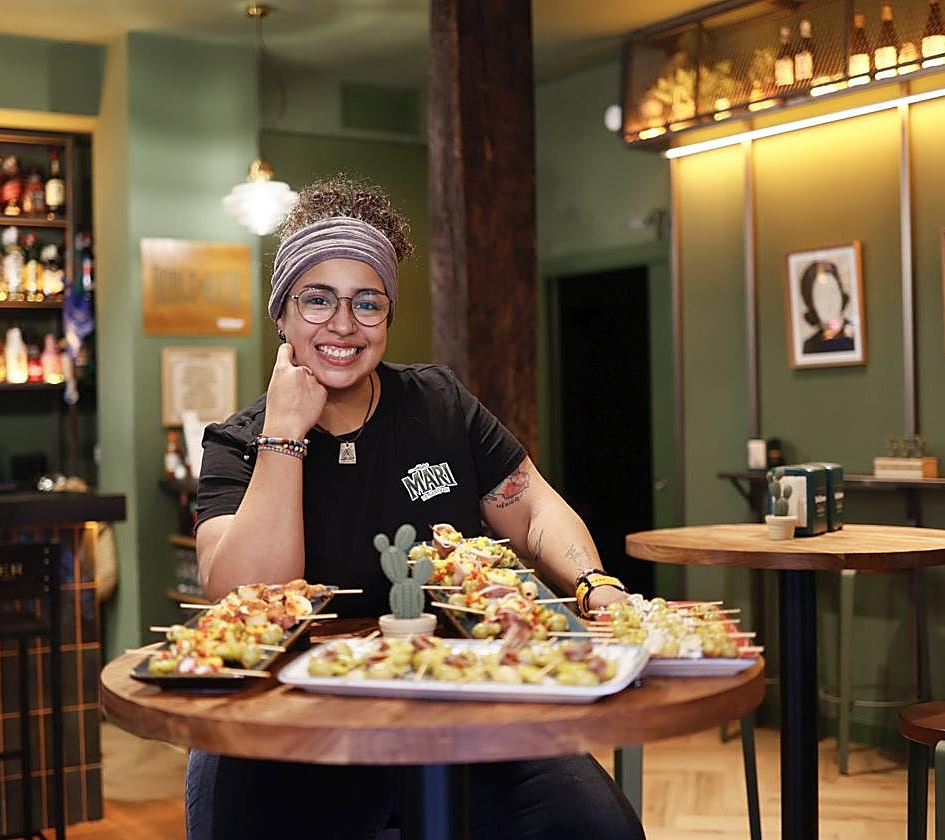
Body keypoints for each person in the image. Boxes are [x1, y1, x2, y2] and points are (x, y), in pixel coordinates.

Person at [188, 175, 645, 840]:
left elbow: (534, 506)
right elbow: (252, 593)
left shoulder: (439, 404)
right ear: (281, 314)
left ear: (388, 319)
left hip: (455, 705)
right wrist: (285, 432)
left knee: (602, 830)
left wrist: (595, 584)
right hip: (289, 728)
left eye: (366, 304)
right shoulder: (237, 441)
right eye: (317, 300)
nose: (342, 325)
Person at [799, 260, 855, 355]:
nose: (828, 301)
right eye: (820, 295)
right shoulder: (810, 347)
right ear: (810, 302)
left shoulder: (856, 336)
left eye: (832, 291)